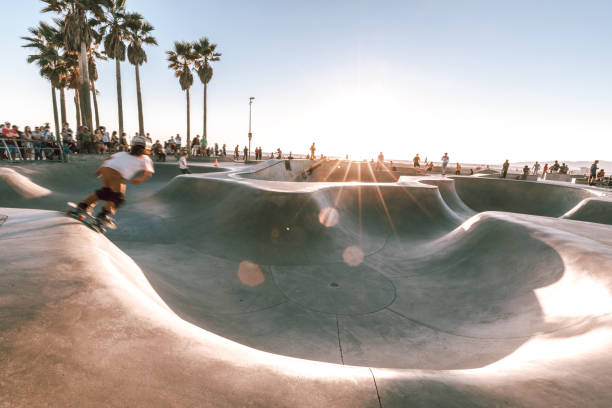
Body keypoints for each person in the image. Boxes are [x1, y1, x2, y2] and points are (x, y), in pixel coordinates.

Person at [70, 136, 154, 226]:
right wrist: (139, 179)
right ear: (145, 150)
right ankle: (102, 216)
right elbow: (148, 172)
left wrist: (99, 171)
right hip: (117, 174)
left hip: (106, 170)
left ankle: (82, 206)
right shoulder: (145, 158)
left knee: (106, 192)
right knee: (118, 198)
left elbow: (108, 160)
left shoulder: (122, 153)